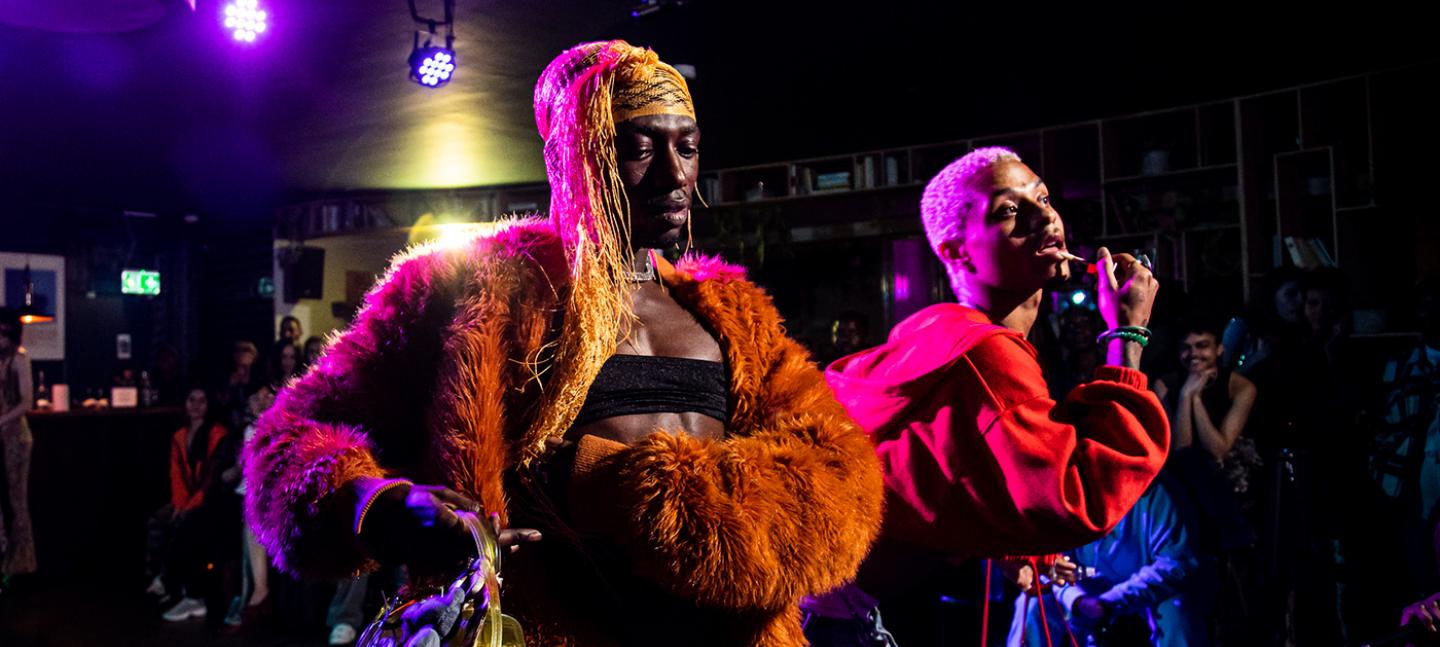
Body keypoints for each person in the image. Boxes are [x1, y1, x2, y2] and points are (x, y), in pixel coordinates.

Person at [245, 40, 884, 647]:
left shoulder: (734, 315)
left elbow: (841, 477)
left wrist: (647, 494)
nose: (673, 176)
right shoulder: (469, 291)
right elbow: (285, 441)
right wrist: (378, 505)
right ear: (573, 156)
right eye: (638, 147)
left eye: (687, 148)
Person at [816, 148, 1168, 644]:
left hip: (823, 606)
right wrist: (1127, 337)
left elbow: (930, 470)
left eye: (1043, 198)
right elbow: (1081, 495)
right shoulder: (986, 355)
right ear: (957, 251)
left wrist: (1006, 543)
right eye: (1009, 210)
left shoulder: (937, 328)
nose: (1044, 215)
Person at [1007, 480, 1211, 647]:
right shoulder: (1068, 491)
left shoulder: (1157, 494)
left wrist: (1111, 601)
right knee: (1033, 604)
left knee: (1177, 611)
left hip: (1145, 591)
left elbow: (1175, 562)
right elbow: (1050, 563)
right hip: (1085, 590)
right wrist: (1077, 601)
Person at [153, 386, 230, 622]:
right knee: (159, 520)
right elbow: (175, 473)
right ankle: (164, 580)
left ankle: (186, 591)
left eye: (202, 400)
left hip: (212, 501)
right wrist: (179, 503)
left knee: (189, 525)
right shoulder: (179, 435)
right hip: (188, 498)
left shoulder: (217, 434)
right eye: (191, 400)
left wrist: (187, 507)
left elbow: (210, 480)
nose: (196, 406)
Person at [0, 308, 37, 583]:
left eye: (5, 333)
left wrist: (1, 419)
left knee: (16, 499)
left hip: (15, 436)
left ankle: (21, 563)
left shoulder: (19, 359)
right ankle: (7, 558)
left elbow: (26, 402)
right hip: (3, 433)